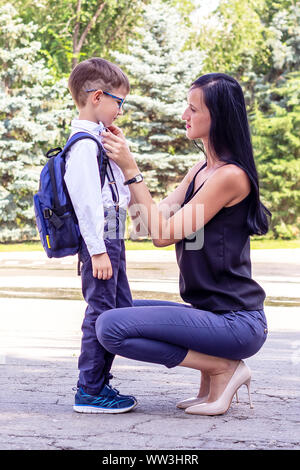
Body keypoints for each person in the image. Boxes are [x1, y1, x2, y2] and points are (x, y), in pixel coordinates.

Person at [96, 73, 271, 416]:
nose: (183, 116)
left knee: (111, 327)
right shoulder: (201, 170)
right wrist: (118, 174)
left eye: (192, 108)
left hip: (237, 322)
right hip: (208, 315)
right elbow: (146, 224)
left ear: (217, 117)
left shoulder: (229, 177)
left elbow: (163, 236)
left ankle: (222, 368)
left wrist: (131, 168)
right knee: (113, 306)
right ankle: (214, 374)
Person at [65, 57, 137, 413]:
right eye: (118, 102)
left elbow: (116, 195)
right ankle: (89, 389)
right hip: (100, 239)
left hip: (111, 234)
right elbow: (87, 203)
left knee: (119, 309)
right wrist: (97, 252)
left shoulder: (98, 140)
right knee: (101, 311)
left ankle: (99, 382)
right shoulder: (82, 145)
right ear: (97, 97)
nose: (121, 110)